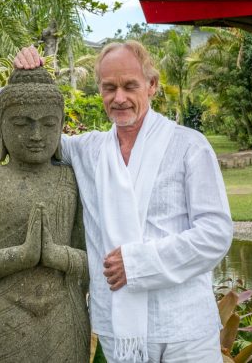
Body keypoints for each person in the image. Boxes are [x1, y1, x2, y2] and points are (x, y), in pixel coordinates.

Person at [14, 41, 233, 363]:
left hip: (184, 324)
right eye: (109, 87)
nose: (119, 98)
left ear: (151, 85)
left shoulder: (189, 146)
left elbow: (215, 234)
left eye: (130, 86)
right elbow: (24, 130)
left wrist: (137, 263)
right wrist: (21, 77)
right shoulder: (88, 151)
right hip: (117, 326)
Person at [0, 67, 90, 363]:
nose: (36, 135)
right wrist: (22, 255)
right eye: (21, 123)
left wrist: (55, 255)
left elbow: (93, 264)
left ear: (61, 125)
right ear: (0, 125)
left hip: (64, 320)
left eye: (48, 124)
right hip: (1, 320)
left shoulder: (73, 179)